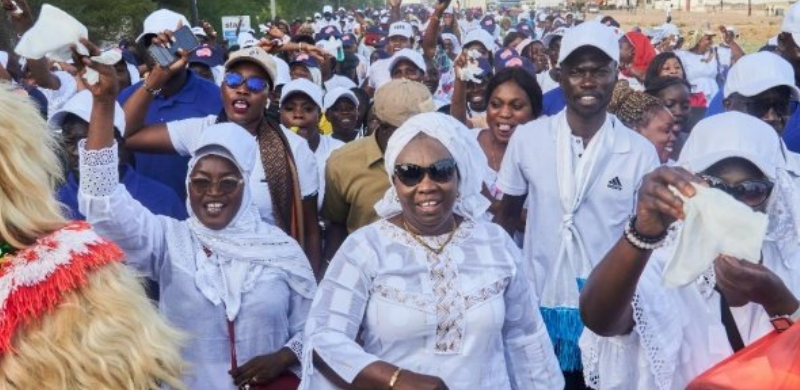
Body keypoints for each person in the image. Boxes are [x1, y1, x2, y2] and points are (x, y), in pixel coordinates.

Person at [79, 52, 316, 390]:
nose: (213, 193)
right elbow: (102, 203)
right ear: (188, 185)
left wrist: (282, 357)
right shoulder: (170, 240)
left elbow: (314, 325)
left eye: (227, 182)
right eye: (201, 181)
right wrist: (103, 104)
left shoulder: (281, 249)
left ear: (245, 187)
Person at [301, 112, 564, 390]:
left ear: (459, 175)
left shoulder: (495, 243)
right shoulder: (366, 248)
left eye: (440, 170)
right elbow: (324, 339)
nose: (426, 186)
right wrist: (397, 380)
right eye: (410, 174)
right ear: (394, 181)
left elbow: (526, 340)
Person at [0, 49, 185, 390]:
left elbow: (101, 199)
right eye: (67, 140)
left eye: (83, 140)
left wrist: (102, 104)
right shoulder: (56, 205)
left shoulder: (66, 254)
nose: (73, 149)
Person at [579, 112, 800, 390]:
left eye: (751, 189)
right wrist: (642, 234)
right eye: (714, 188)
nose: (734, 204)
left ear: (774, 195)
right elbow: (601, 321)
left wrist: (778, 301)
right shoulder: (665, 268)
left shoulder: (791, 264)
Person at [493, 21, 660, 389]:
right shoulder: (529, 139)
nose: (588, 81)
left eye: (600, 70)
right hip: (536, 306)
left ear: (617, 75)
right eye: (577, 71)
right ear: (559, 74)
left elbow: (647, 241)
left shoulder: (638, 152)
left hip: (608, 311)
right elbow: (504, 220)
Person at [124, 45, 323, 275]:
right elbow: (127, 135)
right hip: (206, 273)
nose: (243, 90)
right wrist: (156, 79)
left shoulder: (294, 149)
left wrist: (310, 287)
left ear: (269, 96)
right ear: (222, 88)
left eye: (256, 84)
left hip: (270, 275)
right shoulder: (201, 131)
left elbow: (310, 231)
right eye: (234, 80)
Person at [321, 79, 435, 266]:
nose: (418, 138)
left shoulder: (444, 156)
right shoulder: (342, 162)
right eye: (407, 130)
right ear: (382, 124)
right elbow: (338, 225)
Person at [53, 90, 186, 221]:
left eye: (88, 143)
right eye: (69, 141)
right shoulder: (51, 203)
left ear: (119, 145)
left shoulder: (162, 199)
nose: (76, 152)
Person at [281, 78, 345, 212]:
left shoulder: (340, 151)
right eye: (289, 108)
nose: (298, 115)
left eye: (308, 109)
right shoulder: (264, 151)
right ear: (280, 114)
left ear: (320, 115)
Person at [608, 81, 677, 164]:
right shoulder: (612, 169)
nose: (673, 138)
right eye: (666, 130)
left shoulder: (675, 169)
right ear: (635, 132)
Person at [676, 27, 727, 104]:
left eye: (711, 39)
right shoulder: (683, 56)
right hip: (694, 97)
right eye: (708, 39)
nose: (711, 41)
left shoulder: (714, 54)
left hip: (714, 94)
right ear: (699, 41)